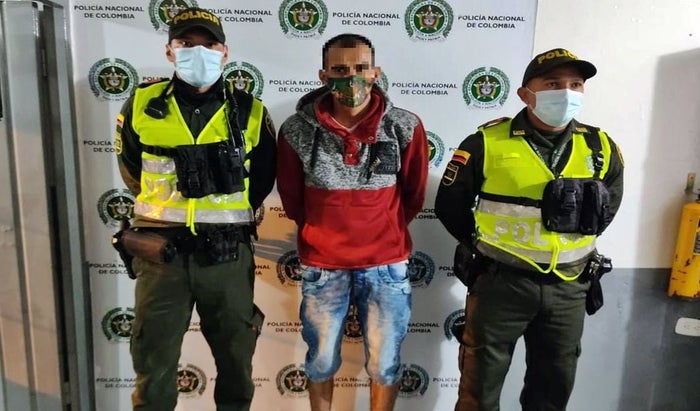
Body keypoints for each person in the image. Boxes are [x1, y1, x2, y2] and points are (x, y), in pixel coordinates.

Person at [435, 48, 624, 411]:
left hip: (569, 286)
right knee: (479, 390)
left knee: (552, 389)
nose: (566, 93)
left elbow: (608, 207)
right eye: (553, 84)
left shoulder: (600, 146)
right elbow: (450, 206)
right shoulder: (486, 142)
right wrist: (483, 246)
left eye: (575, 84)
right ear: (525, 94)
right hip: (500, 284)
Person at [113, 7, 276, 411]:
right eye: (187, 44)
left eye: (209, 44)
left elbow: (262, 180)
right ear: (170, 51)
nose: (198, 52)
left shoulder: (249, 110)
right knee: (153, 362)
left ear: (225, 52)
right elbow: (132, 171)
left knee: (236, 360)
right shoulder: (141, 104)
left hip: (226, 257)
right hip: (161, 257)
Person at [276, 33, 428, 411]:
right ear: (323, 75)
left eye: (361, 68)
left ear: (376, 72)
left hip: (386, 265)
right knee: (321, 359)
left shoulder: (404, 126)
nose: (352, 77)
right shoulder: (296, 130)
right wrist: (324, 233)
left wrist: (384, 230)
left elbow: (413, 195)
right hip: (323, 265)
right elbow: (292, 200)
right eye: (340, 70)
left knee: (384, 364)